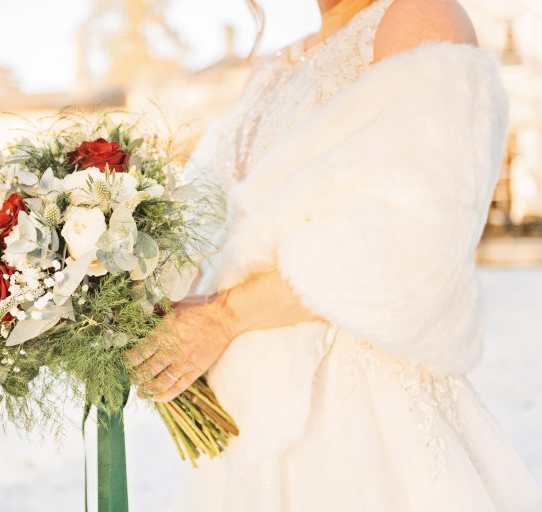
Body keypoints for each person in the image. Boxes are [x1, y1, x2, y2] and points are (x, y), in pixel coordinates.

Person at [124, 0, 542, 510]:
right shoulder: (267, 71)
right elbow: (209, 225)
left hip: (356, 407)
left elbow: (409, 238)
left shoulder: (418, 18)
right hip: (244, 422)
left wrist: (223, 317)